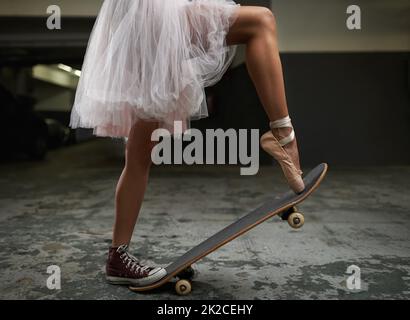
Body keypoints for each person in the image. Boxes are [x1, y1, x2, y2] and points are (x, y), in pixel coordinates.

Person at [70, 0, 304, 287]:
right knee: (260, 22)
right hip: (152, 14)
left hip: (140, 22)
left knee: (138, 158)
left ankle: (117, 258)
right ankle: (283, 135)